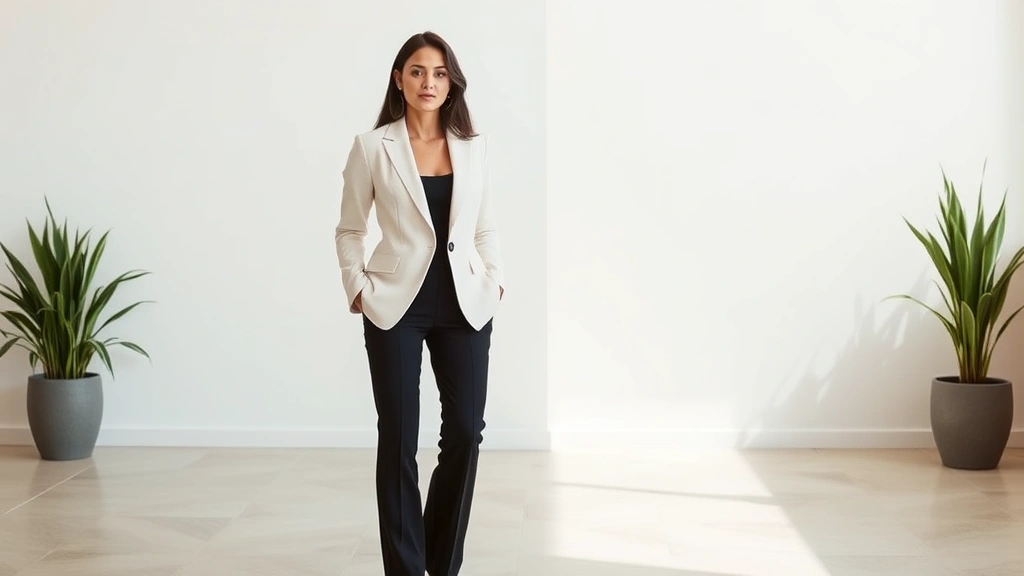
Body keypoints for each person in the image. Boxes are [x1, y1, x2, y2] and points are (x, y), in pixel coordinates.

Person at [334, 30, 505, 576]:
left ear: (450, 80)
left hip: (464, 305)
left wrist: (494, 278)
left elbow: (483, 228)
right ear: (399, 78)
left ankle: (440, 558)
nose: (427, 82)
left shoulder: (473, 148)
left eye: (437, 73)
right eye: (416, 71)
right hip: (396, 305)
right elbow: (348, 229)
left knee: (464, 432)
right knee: (399, 436)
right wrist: (357, 287)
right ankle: (406, 569)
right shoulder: (372, 146)